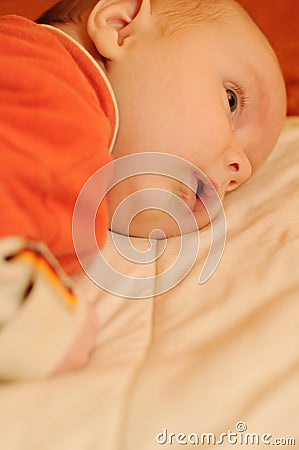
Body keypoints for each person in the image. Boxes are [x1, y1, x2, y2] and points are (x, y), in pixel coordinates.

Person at [0, 0, 286, 380]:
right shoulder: (51, 88)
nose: (240, 169)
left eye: (240, 183)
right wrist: (35, 324)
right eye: (232, 101)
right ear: (120, 25)